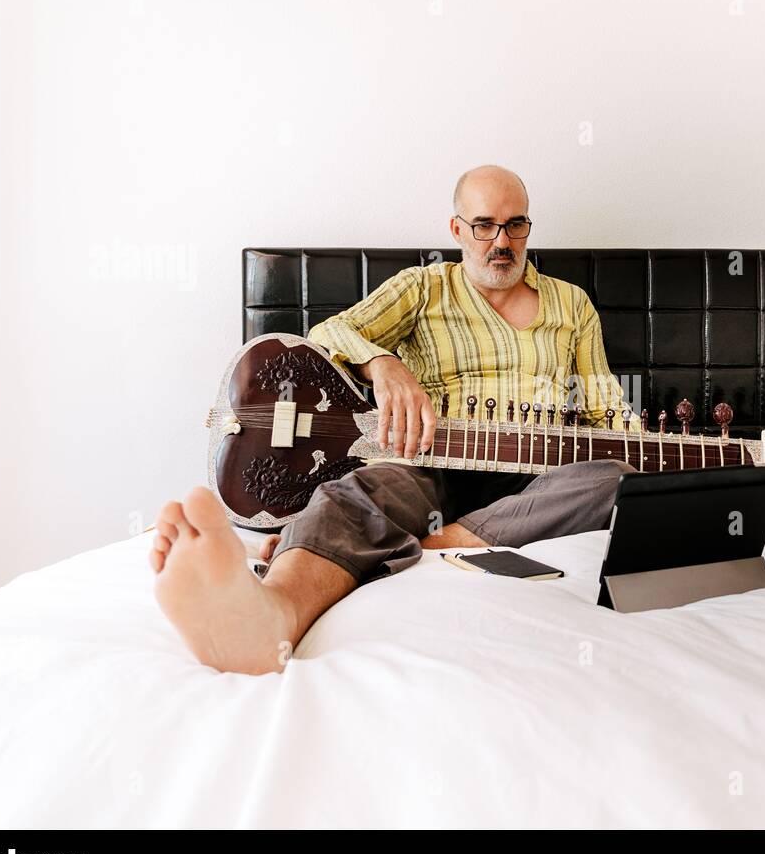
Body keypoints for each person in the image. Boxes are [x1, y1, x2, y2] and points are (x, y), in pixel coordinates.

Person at [149, 165, 635, 674]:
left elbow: (608, 412)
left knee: (616, 479)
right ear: (456, 230)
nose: (501, 241)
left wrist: (663, 455)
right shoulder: (423, 288)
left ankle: (433, 541)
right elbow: (331, 333)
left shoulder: (571, 304)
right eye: (483, 225)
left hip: (539, 477)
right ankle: (266, 616)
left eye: (516, 225)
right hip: (432, 462)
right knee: (352, 496)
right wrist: (384, 364)